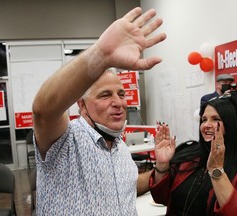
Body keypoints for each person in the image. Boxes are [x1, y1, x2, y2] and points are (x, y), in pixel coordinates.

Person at [32, 7, 166, 215]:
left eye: (121, 94)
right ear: (82, 105)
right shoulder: (66, 140)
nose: (118, 102)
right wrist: (101, 55)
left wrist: (161, 168)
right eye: (105, 95)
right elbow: (43, 110)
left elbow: (124, 186)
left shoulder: (120, 146)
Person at [150, 95, 237, 216]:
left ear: (233, 124)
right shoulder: (190, 155)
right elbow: (161, 198)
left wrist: (216, 171)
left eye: (216, 119)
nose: (206, 125)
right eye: (204, 119)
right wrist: (162, 164)